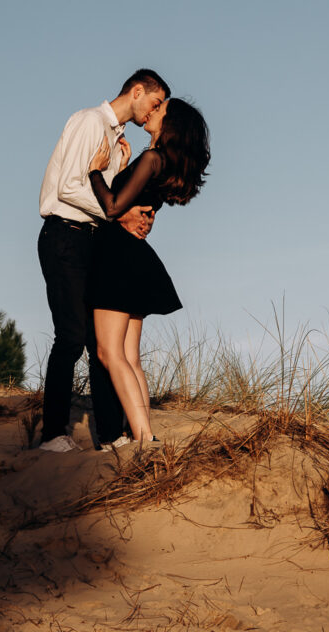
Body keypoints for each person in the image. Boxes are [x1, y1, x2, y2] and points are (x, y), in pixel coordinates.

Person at [37, 68, 170, 453]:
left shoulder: (117, 140)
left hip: (91, 242)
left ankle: (111, 436)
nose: (154, 112)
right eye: (155, 103)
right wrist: (121, 213)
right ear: (137, 91)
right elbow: (69, 187)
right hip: (65, 235)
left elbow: (107, 194)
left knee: (100, 345)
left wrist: (119, 173)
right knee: (71, 337)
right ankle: (52, 435)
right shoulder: (89, 121)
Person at [87, 97, 210, 443]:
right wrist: (124, 166)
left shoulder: (153, 159)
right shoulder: (162, 163)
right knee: (130, 357)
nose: (153, 112)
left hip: (116, 255)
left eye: (161, 110)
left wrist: (95, 171)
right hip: (136, 258)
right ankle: (146, 435)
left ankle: (142, 436)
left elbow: (112, 208)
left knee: (109, 352)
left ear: (171, 125)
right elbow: (132, 200)